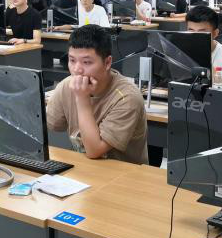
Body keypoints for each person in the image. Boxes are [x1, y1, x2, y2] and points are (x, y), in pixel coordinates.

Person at [46, 25, 148, 164]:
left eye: (86, 62)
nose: (77, 69)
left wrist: (82, 98)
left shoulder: (127, 97)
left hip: (123, 173)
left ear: (107, 62)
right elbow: (50, 124)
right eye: (72, 60)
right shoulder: (67, 85)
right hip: (83, 169)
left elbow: (94, 151)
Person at [185, 6, 222, 90]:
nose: (195, 37)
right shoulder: (181, 50)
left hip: (213, 97)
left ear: (215, 33)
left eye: (202, 33)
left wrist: (206, 63)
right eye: (191, 31)